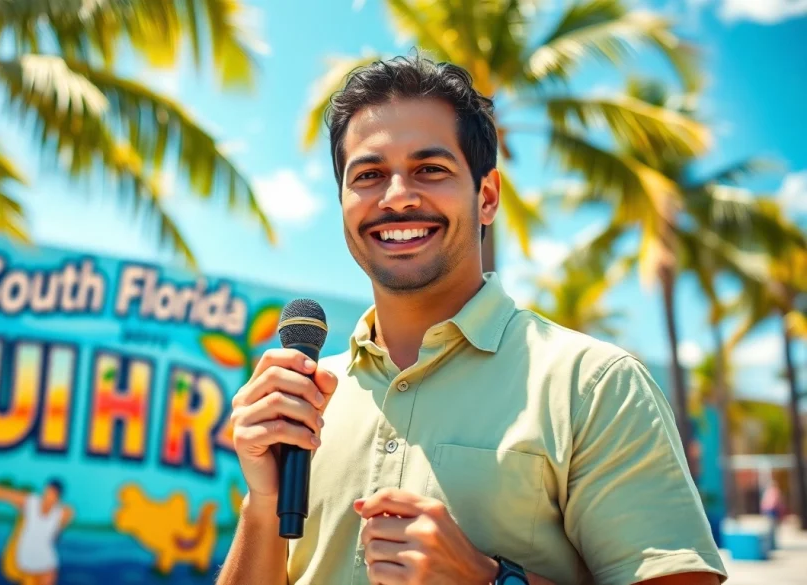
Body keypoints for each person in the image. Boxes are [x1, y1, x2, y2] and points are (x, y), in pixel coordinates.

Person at [215, 53, 728, 585]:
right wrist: (264, 501)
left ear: (486, 197)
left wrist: (487, 580)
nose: (397, 197)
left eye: (429, 169)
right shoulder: (307, 402)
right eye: (368, 175)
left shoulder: (593, 385)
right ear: (344, 202)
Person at [0, 478, 75, 585]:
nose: (48, 495)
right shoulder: (32, 501)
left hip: (46, 557)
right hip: (26, 557)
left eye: (51, 492)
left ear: (57, 495)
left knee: (48, 571)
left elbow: (57, 535)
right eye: (47, 491)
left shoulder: (62, 512)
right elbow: (8, 495)